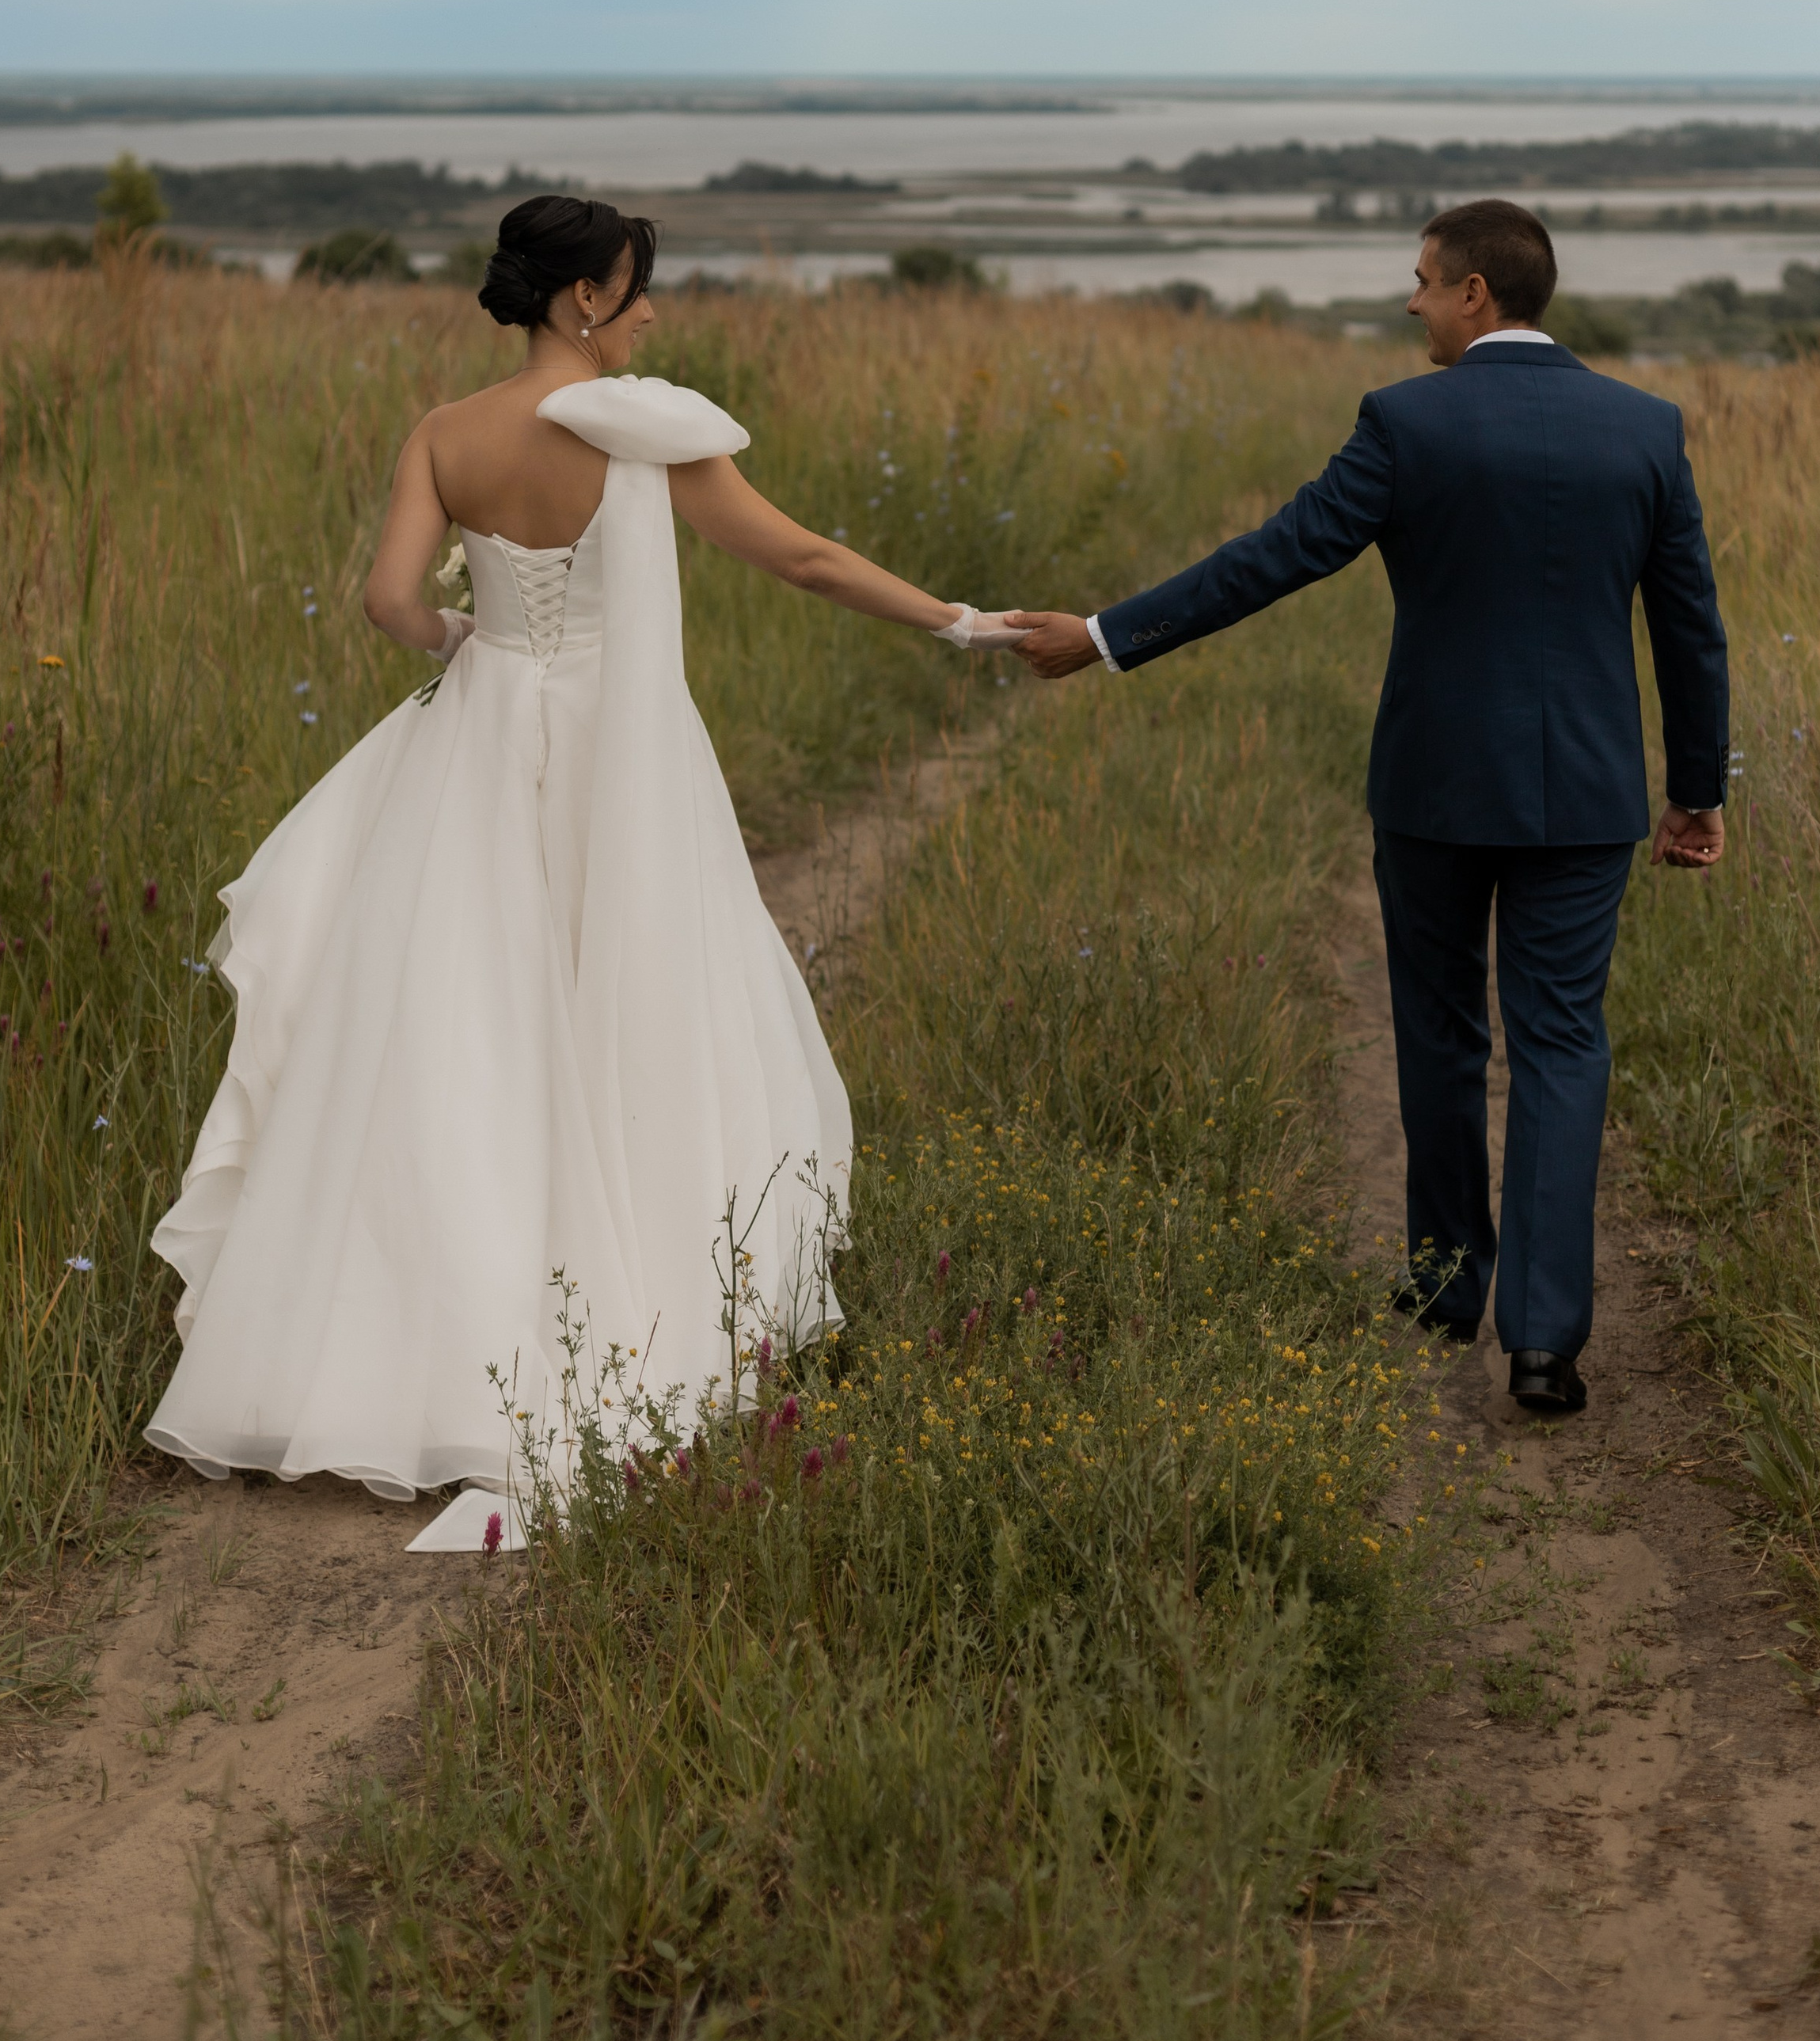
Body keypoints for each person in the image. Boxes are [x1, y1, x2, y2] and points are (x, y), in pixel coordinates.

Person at [146, 196, 1023, 1543]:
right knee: (632, 1003)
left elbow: (388, 603)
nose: (654, 314)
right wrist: (961, 622)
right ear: (581, 302)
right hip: (625, 755)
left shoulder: (445, 433)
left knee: (457, 1024)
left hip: (480, 741)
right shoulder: (642, 429)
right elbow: (797, 554)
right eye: (637, 290)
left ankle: (399, 1338)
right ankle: (626, 1299)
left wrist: (469, 642)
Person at [1013, 199, 1728, 1418]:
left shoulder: (1408, 421)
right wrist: (1696, 791)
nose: (1410, 302)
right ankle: (1545, 1343)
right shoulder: (1645, 430)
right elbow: (1689, 627)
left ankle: (1450, 1283)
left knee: (1443, 1032)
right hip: (1589, 798)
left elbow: (1280, 554)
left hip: (1438, 788)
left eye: (1421, 281)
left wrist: (1105, 636)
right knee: (1561, 1043)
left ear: (1475, 295)